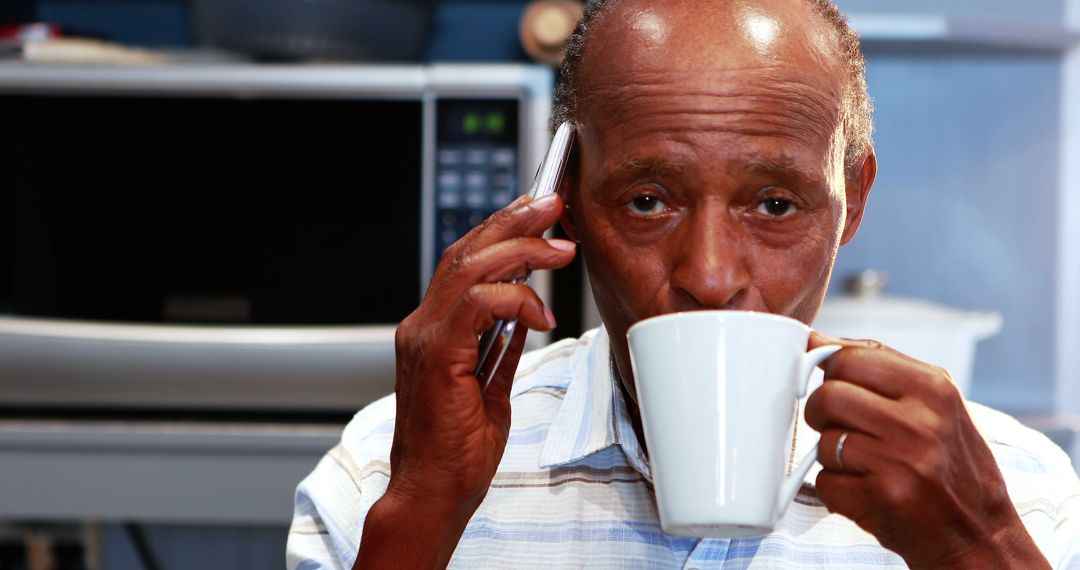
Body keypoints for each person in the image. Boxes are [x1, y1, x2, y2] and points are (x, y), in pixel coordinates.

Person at [287, 0, 1080, 567]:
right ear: (567, 208)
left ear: (853, 202)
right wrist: (426, 506)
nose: (709, 275)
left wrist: (978, 551)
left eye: (774, 204)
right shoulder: (386, 470)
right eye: (646, 201)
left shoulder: (1017, 488)